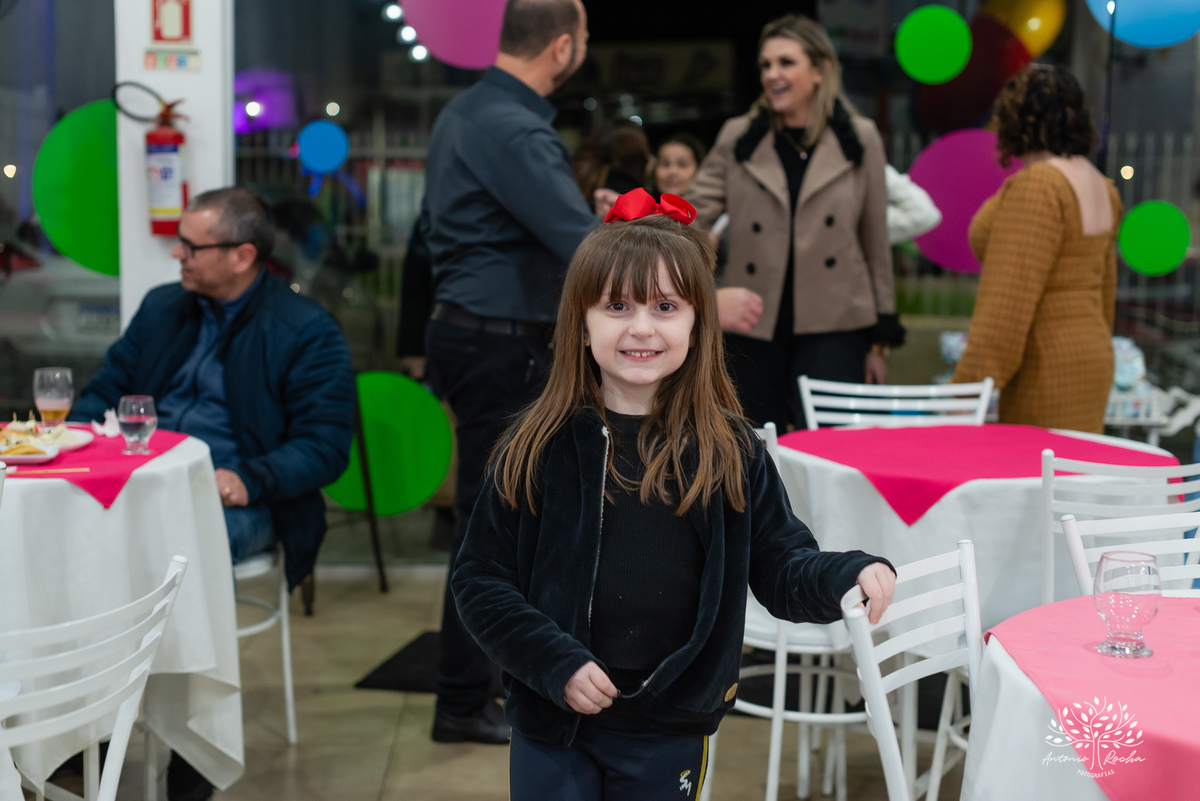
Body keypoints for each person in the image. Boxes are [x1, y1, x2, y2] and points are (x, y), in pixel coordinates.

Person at [452, 191, 896, 800]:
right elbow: (479, 581)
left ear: (696, 323)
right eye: (616, 306)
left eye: (665, 306)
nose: (641, 327)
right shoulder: (535, 447)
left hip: (669, 724)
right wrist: (553, 662)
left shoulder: (730, 451)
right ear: (581, 324)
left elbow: (781, 565)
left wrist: (847, 572)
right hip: (554, 720)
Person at [72, 187, 354, 800]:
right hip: (136, 483)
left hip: (238, 500)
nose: (178, 255)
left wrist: (245, 479)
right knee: (67, 541)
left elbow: (326, 445)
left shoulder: (305, 329)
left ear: (242, 255)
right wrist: (74, 438)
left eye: (192, 246)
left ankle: (195, 743)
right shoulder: (163, 307)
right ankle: (85, 728)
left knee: (184, 550)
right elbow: (105, 388)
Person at [420, 0, 601, 745]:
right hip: (497, 345)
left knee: (498, 523)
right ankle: (464, 699)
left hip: (478, 336)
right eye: (585, 37)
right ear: (562, 47)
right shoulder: (514, 126)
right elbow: (579, 242)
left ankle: (474, 691)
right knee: (495, 531)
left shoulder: (472, 110)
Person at [689, 14, 902, 429]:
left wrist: (879, 342)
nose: (772, 75)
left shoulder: (860, 138)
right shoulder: (739, 137)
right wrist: (637, 223)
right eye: (766, 65)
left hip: (837, 325)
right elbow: (689, 216)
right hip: (752, 323)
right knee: (747, 451)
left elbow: (875, 242)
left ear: (819, 70)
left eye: (786, 62)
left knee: (831, 454)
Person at [952, 65, 1120, 433]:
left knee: (1037, 478)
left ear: (1015, 118)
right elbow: (1105, 290)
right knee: (1075, 477)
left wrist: (965, 392)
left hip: (1046, 362)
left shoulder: (1040, 186)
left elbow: (1007, 303)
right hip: (1093, 354)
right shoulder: (1101, 185)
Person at [573, 120, 652, 210]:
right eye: (645, 154)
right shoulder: (625, 191)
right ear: (635, 158)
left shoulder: (591, 180)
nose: (650, 160)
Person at [653, 133, 706, 197]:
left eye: (682, 165)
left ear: (699, 169)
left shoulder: (712, 206)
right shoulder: (645, 206)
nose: (672, 171)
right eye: (665, 164)